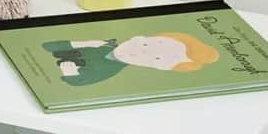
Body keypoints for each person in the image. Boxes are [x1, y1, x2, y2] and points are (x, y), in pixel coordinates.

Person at [42, 32, 219, 86]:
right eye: (145, 46)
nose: (136, 52)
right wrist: (84, 42)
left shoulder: (109, 69)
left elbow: (80, 80)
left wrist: (70, 71)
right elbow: (47, 46)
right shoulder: (103, 42)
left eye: (153, 58)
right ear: (139, 38)